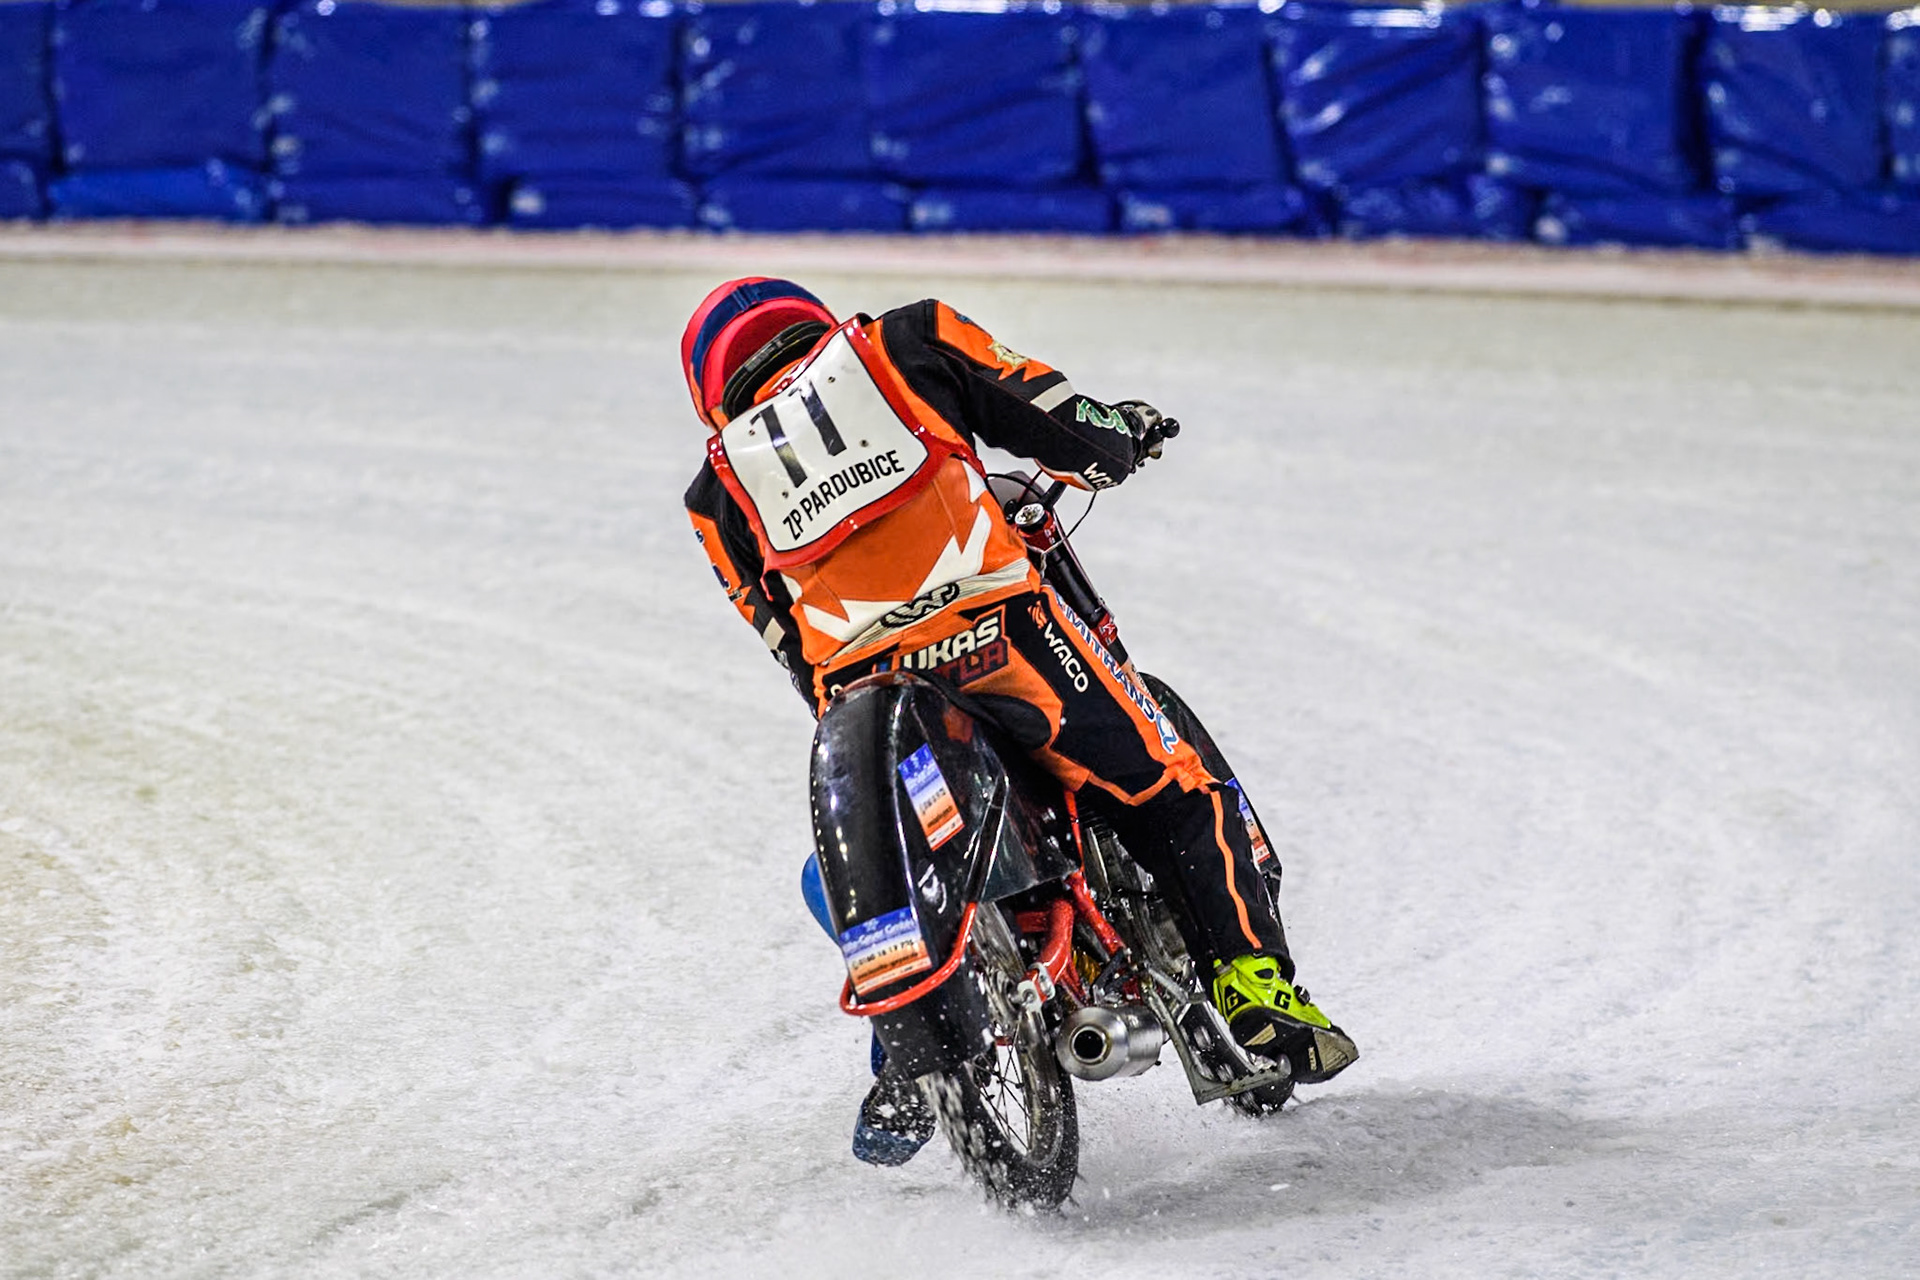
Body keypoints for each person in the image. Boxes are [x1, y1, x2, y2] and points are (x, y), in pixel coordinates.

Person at [681, 277, 1357, 1166]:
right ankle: (1253, 988)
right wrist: (1113, 439)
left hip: (869, 698)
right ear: (810, 322)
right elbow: (1049, 413)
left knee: (848, 862)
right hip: (1003, 641)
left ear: (712, 390)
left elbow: (787, 645)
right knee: (1174, 788)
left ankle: (903, 1052)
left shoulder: (715, 493)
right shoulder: (902, 342)